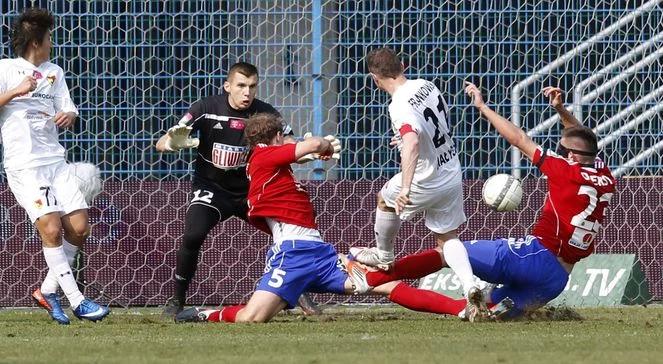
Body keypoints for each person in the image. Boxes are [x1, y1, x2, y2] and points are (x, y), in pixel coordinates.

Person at [174, 113, 481, 323]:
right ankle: (205, 314)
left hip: (318, 254)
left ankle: (465, 308)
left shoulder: (270, 166)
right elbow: (315, 144)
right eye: (286, 137)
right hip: (292, 256)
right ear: (277, 137)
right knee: (251, 319)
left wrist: (308, 154)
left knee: (387, 284)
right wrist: (319, 145)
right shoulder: (265, 156)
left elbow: (295, 164)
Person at [351, 82, 616, 319]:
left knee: (448, 252)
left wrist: (483, 107)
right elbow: (583, 139)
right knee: (481, 312)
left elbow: (519, 139)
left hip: (534, 257)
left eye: (560, 148)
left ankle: (372, 278)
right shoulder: (604, 173)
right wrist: (561, 110)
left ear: (569, 156)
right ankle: (475, 301)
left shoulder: (564, 170)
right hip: (555, 281)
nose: (557, 151)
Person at [156, 62, 320, 317]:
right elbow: (162, 142)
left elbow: (288, 142)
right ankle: (176, 299)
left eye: (252, 86)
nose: (247, 92)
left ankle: (299, 292)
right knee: (193, 234)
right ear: (227, 86)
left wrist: (304, 152)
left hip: (250, 191)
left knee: (286, 235)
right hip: (211, 189)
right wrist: (172, 145)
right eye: (241, 86)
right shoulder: (206, 109)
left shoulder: (266, 114)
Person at [351, 47, 486, 316]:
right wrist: (406, 138)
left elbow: (412, 142)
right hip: (451, 171)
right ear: (402, 65)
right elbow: (431, 126)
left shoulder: (397, 105)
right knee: (447, 239)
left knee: (384, 200)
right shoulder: (425, 84)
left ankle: (384, 256)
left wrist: (406, 187)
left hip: (426, 177)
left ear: (374, 79)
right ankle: (472, 285)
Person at [0, 8, 109, 324]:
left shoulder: (54, 72)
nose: (51, 42)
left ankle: (48, 291)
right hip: (25, 166)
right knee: (50, 227)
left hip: (56, 162)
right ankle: (78, 301)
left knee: (78, 228)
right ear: (36, 40)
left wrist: (69, 116)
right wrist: (16, 92)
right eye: (48, 37)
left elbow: (69, 109)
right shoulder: (6, 69)